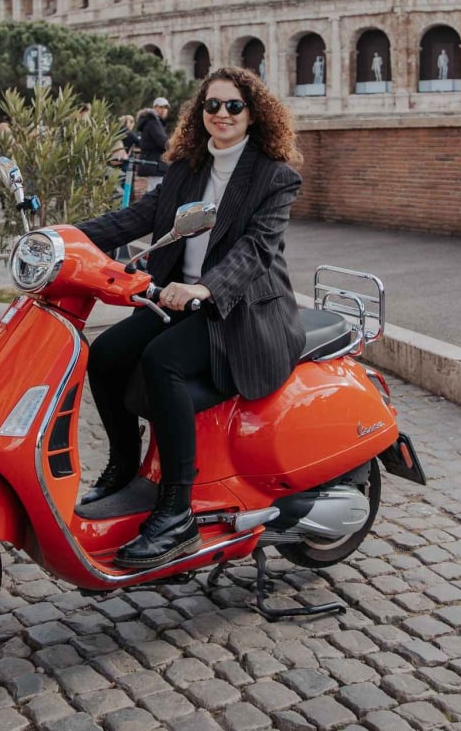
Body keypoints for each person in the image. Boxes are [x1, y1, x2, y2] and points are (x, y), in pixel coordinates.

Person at [74, 67, 306, 570]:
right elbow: (138, 216)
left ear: (253, 113)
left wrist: (206, 286)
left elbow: (257, 249)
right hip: (181, 300)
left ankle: (176, 510)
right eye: (212, 105)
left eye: (233, 106)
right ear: (199, 113)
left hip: (242, 313)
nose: (221, 114)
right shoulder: (187, 167)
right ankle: (124, 465)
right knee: (105, 354)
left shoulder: (274, 175)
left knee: (163, 363)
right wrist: (64, 238)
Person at [135, 97, 171, 191]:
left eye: (166, 108)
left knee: (153, 191)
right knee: (156, 192)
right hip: (155, 164)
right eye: (161, 107)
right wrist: (176, 147)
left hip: (152, 163)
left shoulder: (151, 122)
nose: (164, 110)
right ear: (155, 108)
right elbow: (163, 142)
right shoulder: (153, 122)